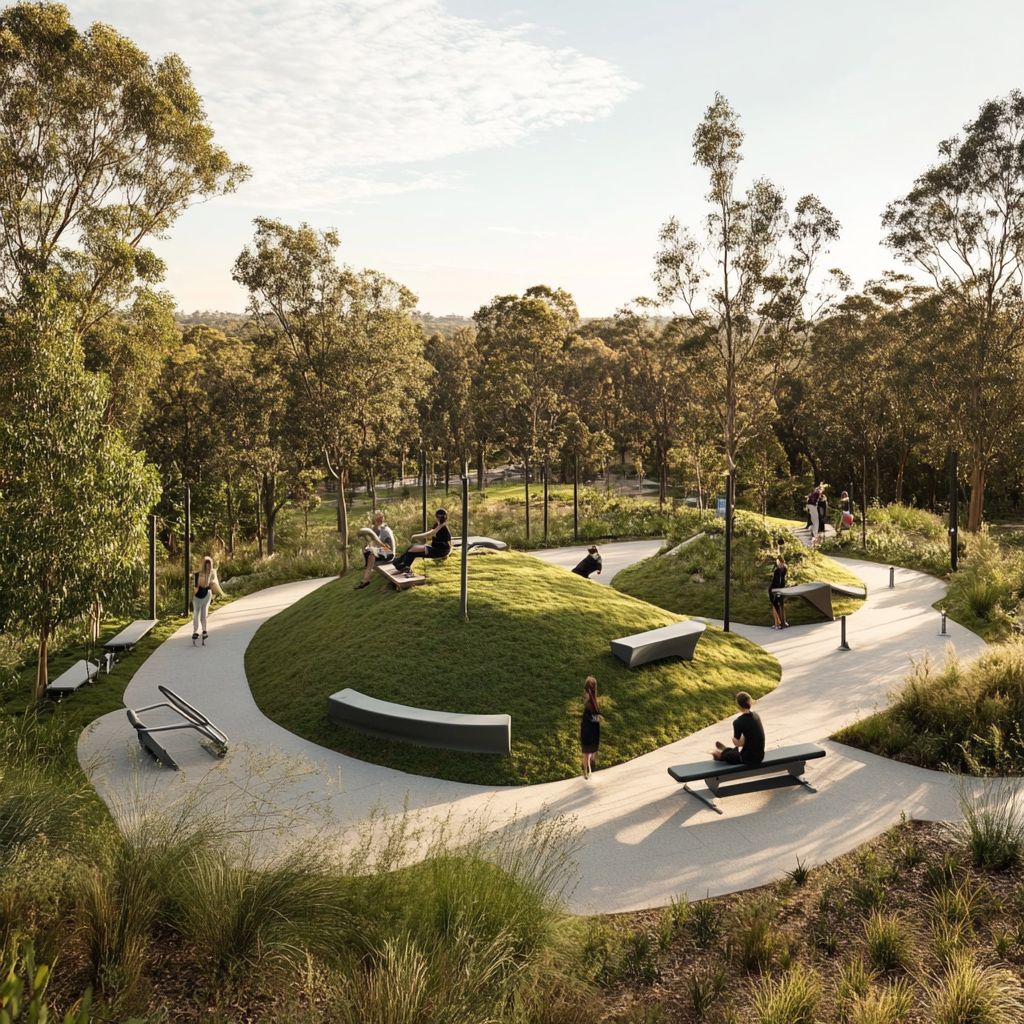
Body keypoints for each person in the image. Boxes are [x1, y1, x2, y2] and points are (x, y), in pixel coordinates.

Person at [711, 692, 765, 765]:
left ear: (738, 705)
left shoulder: (738, 722)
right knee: (736, 751)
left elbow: (738, 744)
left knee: (732, 757)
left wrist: (732, 738)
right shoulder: (756, 715)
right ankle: (726, 750)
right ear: (750, 702)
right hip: (760, 756)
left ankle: (722, 754)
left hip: (749, 759)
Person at [392, 509, 452, 574]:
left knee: (412, 549)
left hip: (439, 550)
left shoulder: (442, 527)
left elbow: (429, 534)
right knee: (412, 550)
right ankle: (403, 565)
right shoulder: (438, 524)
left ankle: (402, 564)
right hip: (435, 547)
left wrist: (415, 536)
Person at [355, 511, 396, 589]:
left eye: (380, 519)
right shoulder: (378, 529)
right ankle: (367, 571)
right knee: (368, 550)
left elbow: (388, 548)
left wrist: (376, 540)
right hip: (382, 552)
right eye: (376, 519)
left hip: (389, 554)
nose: (378, 521)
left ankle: (366, 579)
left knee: (372, 552)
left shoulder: (385, 530)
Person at [192, 555, 224, 645]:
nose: (207, 566)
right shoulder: (199, 574)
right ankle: (198, 631)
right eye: (206, 564)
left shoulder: (211, 573)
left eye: (208, 564)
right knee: (198, 613)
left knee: (201, 613)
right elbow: (196, 586)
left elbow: (213, 582)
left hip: (204, 593)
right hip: (201, 594)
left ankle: (202, 630)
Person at [580, 675, 601, 779]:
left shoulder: (588, 701)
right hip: (594, 729)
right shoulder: (595, 701)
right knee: (591, 752)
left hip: (587, 729)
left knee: (586, 753)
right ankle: (589, 768)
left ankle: (586, 772)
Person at [769, 556, 789, 629]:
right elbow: (774, 580)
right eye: (777, 562)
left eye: (779, 562)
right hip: (774, 589)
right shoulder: (777, 569)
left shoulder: (782, 570)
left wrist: (779, 588)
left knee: (779, 604)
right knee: (775, 604)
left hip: (779, 589)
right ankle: (777, 622)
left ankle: (780, 622)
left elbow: (781, 579)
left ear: (782, 562)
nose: (778, 564)